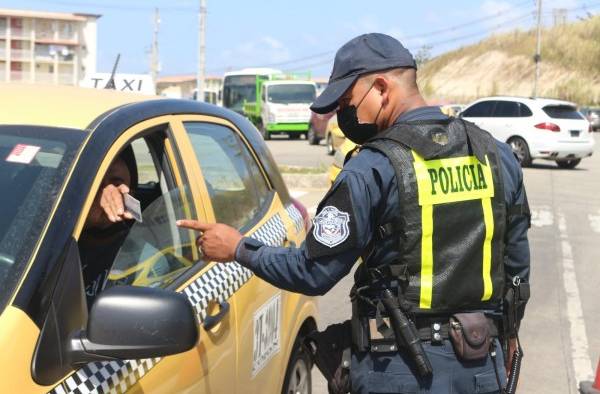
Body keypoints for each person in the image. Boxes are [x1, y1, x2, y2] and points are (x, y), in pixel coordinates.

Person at [178, 33, 530, 394]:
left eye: (348, 100)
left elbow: (312, 272)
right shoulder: (496, 155)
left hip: (398, 371)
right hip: (481, 364)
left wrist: (238, 248)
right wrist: (508, 339)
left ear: (381, 88)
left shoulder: (371, 169)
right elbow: (517, 271)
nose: (344, 114)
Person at [79, 146, 138, 306]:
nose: (107, 192)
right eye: (96, 182)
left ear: (129, 197)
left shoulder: (140, 255)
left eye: (116, 183)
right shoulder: (52, 235)